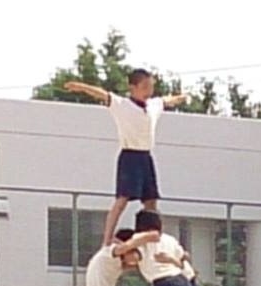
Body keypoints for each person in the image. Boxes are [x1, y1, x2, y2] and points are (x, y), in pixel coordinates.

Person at [64, 70, 187, 244]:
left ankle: (151, 236)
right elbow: (102, 94)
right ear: (133, 87)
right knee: (122, 199)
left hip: (146, 156)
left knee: (151, 200)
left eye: (151, 87)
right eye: (144, 86)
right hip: (130, 155)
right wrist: (81, 87)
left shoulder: (153, 105)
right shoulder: (122, 105)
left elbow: (167, 100)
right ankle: (107, 239)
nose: (149, 90)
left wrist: (181, 97)